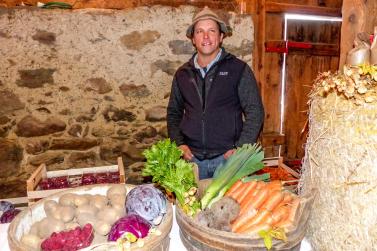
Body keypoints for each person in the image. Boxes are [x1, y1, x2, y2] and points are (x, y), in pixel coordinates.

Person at [167, 7, 264, 180]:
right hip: (192, 161)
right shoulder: (182, 74)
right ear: (193, 39)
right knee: (193, 207)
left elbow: (255, 112)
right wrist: (179, 144)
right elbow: (173, 113)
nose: (206, 37)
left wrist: (241, 149)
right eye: (200, 32)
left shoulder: (238, 70)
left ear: (220, 37)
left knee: (228, 207)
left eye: (211, 31)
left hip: (228, 160)